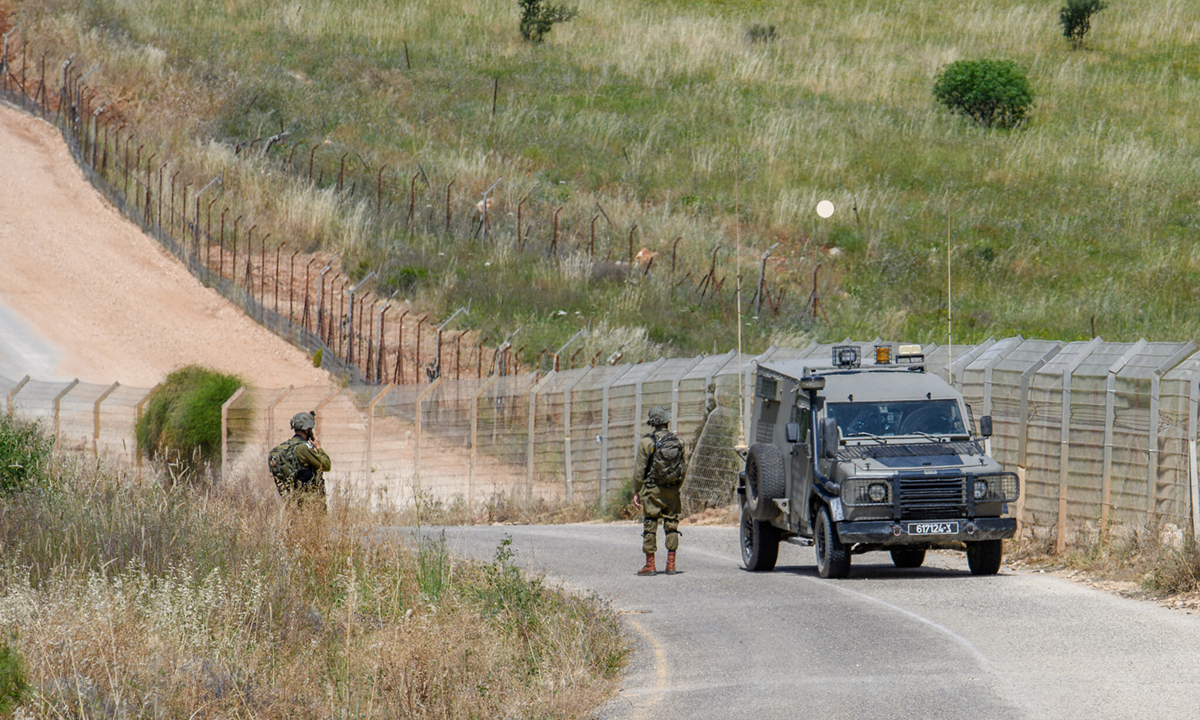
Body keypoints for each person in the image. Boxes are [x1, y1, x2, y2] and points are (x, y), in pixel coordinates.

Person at [633, 406, 687, 576]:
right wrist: (676, 487)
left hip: (652, 490)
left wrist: (636, 491)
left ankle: (650, 565)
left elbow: (639, 471)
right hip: (672, 490)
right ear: (667, 421)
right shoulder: (679, 443)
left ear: (652, 423)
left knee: (650, 524)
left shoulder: (646, 443)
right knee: (671, 524)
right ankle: (671, 565)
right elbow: (684, 470)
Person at [269, 411, 332, 509]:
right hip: (310, 501)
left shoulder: (285, 447)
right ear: (307, 430)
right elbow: (326, 465)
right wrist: (319, 447)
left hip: (292, 500)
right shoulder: (303, 448)